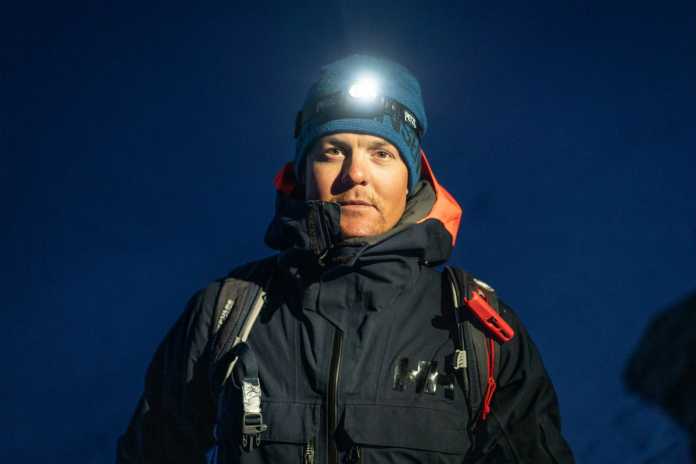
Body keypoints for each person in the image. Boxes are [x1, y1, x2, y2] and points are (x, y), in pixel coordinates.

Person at [117, 54, 575, 463]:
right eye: (332, 151)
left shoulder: (479, 331)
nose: (355, 173)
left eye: (382, 153)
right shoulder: (225, 316)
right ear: (302, 171)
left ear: (412, 178)